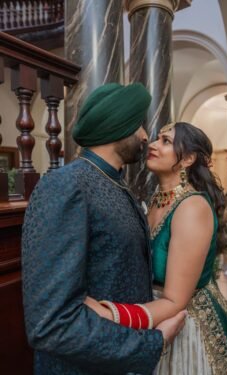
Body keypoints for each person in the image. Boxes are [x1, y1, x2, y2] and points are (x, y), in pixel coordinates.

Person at [22, 83, 186, 375]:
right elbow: (51, 324)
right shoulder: (67, 185)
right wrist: (153, 343)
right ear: (118, 127)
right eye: (138, 126)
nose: (145, 136)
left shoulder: (114, 183)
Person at [86, 121, 227, 374]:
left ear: (188, 159)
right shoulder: (156, 201)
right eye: (156, 138)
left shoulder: (192, 207)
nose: (152, 144)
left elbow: (175, 300)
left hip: (184, 324)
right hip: (152, 315)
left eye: (165, 141)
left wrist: (109, 314)